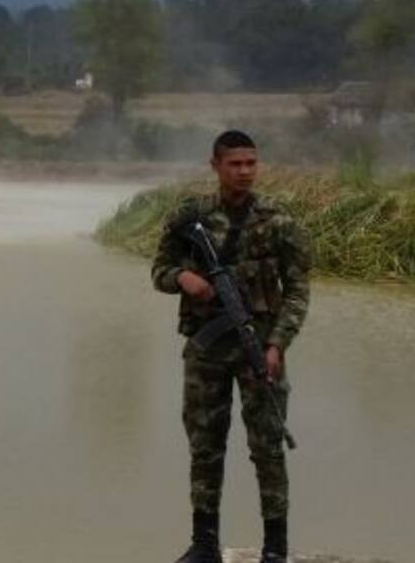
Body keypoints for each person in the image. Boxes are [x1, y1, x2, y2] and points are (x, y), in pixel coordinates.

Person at [152, 130, 312, 563]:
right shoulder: (192, 217)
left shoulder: (278, 221)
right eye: (235, 164)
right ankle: (204, 544)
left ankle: (274, 549)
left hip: (259, 349)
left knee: (268, 449)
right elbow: (160, 270)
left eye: (251, 164)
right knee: (206, 447)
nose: (244, 172)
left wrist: (278, 344)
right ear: (216, 166)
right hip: (206, 354)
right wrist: (184, 279)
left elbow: (298, 291)